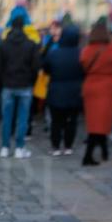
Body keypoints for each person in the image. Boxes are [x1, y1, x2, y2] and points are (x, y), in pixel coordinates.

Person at [81, 22, 112, 165]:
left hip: (90, 86)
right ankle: (89, 155)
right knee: (103, 121)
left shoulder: (87, 49)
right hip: (107, 87)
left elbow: (82, 64)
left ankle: (104, 151)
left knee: (94, 121)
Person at [0, 13, 41, 158]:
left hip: (8, 84)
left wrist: (2, 81)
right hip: (25, 84)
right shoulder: (31, 45)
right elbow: (36, 67)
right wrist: (31, 81)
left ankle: (4, 147)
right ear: (23, 27)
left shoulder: (3, 44)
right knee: (22, 118)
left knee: (7, 118)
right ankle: (19, 148)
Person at [43, 25, 84, 156]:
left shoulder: (54, 53)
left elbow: (46, 69)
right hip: (75, 92)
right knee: (72, 120)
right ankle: (68, 146)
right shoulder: (81, 53)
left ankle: (55, 146)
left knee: (56, 121)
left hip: (56, 91)